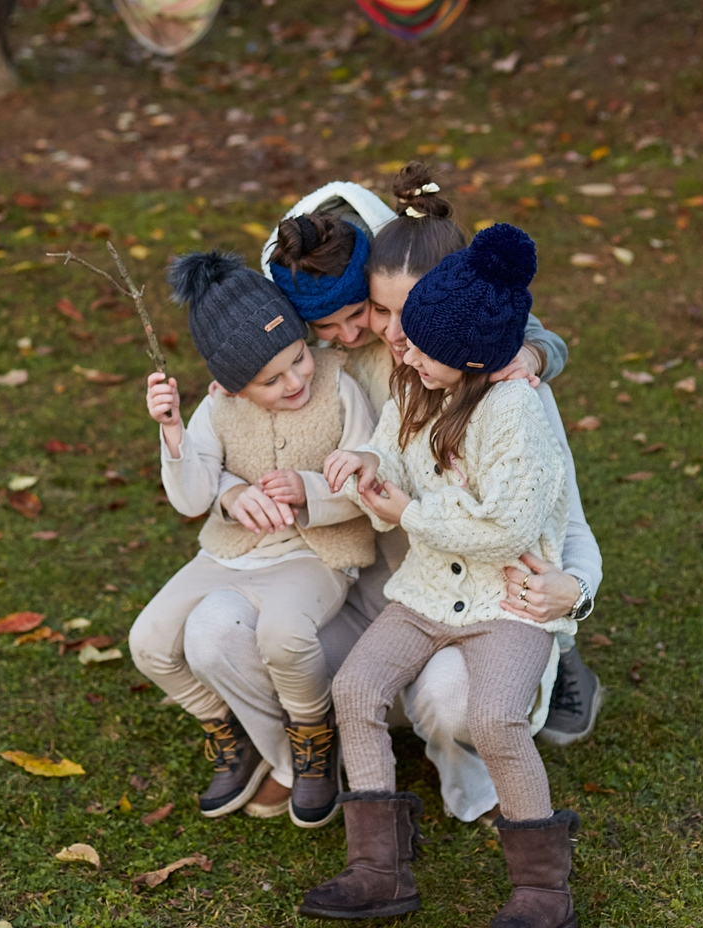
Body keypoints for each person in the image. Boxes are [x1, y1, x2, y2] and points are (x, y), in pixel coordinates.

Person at [200, 164, 602, 823]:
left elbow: (557, 521)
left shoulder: (493, 375)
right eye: (372, 310)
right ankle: (307, 757)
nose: (383, 331)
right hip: (380, 585)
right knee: (262, 642)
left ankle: (549, 673)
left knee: (459, 700)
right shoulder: (322, 363)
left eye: (398, 314)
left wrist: (575, 596)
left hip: (479, 586)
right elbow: (266, 396)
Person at [300, 224, 581, 928]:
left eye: (426, 349)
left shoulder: (516, 410)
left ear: (472, 357)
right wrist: (371, 467)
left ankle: (543, 893)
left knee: (493, 717)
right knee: (355, 689)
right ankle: (377, 871)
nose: (407, 354)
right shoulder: (418, 387)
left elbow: (507, 528)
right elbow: (396, 457)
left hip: (506, 599)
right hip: (427, 593)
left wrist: (412, 514)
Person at [128, 251, 377, 827]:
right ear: (230, 385)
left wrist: (310, 489)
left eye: (297, 358)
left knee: (284, 635)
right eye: (272, 379)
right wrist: (196, 459)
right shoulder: (217, 411)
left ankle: (314, 741)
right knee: (150, 641)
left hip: (314, 555)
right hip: (230, 552)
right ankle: (229, 731)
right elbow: (192, 497)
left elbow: (373, 479)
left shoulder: (338, 386)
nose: (295, 380)